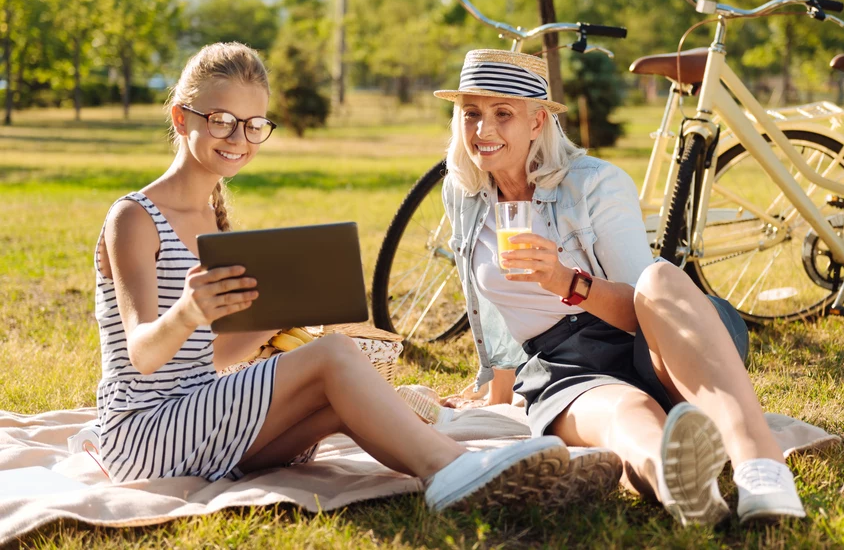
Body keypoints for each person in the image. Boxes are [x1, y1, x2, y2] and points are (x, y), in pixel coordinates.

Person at [92, 42, 596, 512]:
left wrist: (285, 311)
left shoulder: (211, 217)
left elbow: (214, 356)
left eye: (253, 125)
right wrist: (188, 311)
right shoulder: (134, 218)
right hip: (144, 435)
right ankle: (456, 470)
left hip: (196, 420)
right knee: (336, 357)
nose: (239, 139)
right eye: (222, 121)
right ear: (182, 118)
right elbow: (142, 355)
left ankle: (478, 479)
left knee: (340, 404)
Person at [437, 49, 807, 525]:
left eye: (502, 114)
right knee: (626, 413)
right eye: (471, 114)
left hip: (661, 340)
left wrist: (565, 281)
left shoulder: (596, 184)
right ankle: (678, 486)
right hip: (560, 366)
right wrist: (497, 390)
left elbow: (642, 311)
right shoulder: (465, 196)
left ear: (537, 122)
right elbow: (498, 315)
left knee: (659, 277)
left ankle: (762, 467)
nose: (483, 131)